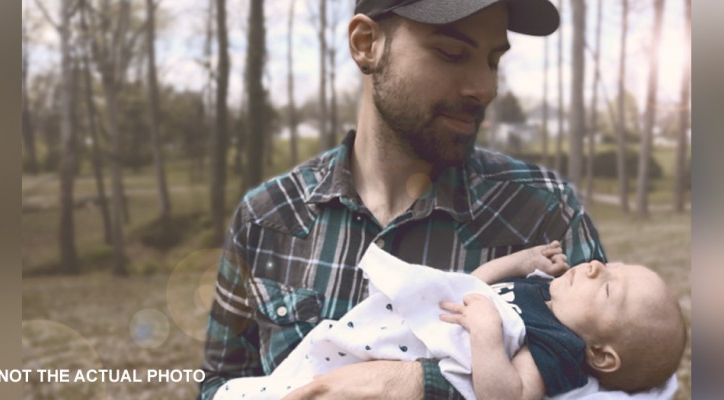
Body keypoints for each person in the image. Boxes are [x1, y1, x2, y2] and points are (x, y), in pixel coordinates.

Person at [199, 1, 608, 399]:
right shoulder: (266, 218)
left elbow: (616, 380)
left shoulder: (545, 214)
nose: (484, 88)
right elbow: (220, 383)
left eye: (493, 60)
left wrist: (415, 387)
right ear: (366, 44)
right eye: (451, 53)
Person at [208, 242, 685, 400]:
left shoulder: (559, 347)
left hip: (406, 356)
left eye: (608, 288)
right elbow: (471, 287)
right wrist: (518, 262)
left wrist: (485, 334)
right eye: (614, 265)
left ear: (601, 354)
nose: (599, 266)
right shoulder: (543, 293)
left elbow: (508, 393)